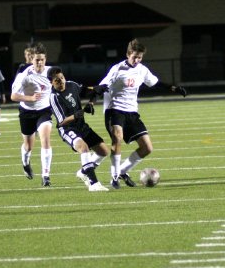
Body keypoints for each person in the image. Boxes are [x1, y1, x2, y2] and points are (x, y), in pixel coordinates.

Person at [95, 38, 188, 189]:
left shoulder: (142, 69)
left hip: (132, 112)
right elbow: (102, 86)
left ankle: (123, 171)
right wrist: (92, 100)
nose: (137, 60)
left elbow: (155, 83)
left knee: (147, 148)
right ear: (128, 54)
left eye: (140, 57)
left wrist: (174, 88)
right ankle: (114, 177)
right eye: (134, 57)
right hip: (114, 110)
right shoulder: (117, 69)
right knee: (117, 139)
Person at [47, 66, 110, 191]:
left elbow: (85, 90)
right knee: (83, 147)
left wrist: (96, 89)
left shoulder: (71, 84)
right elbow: (62, 122)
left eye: (62, 78)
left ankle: (83, 172)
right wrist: (79, 114)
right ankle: (93, 184)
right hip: (67, 129)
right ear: (51, 82)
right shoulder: (54, 97)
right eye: (57, 81)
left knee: (103, 151)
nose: (61, 82)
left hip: (81, 126)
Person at [10, 43, 54, 186]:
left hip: (44, 111)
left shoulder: (52, 72)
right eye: (36, 60)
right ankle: (25, 162)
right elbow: (13, 96)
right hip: (27, 111)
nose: (39, 62)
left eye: (42, 59)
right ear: (32, 60)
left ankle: (46, 176)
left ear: (45, 59)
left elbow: (61, 88)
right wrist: (30, 98)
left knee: (46, 140)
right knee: (28, 146)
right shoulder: (24, 75)